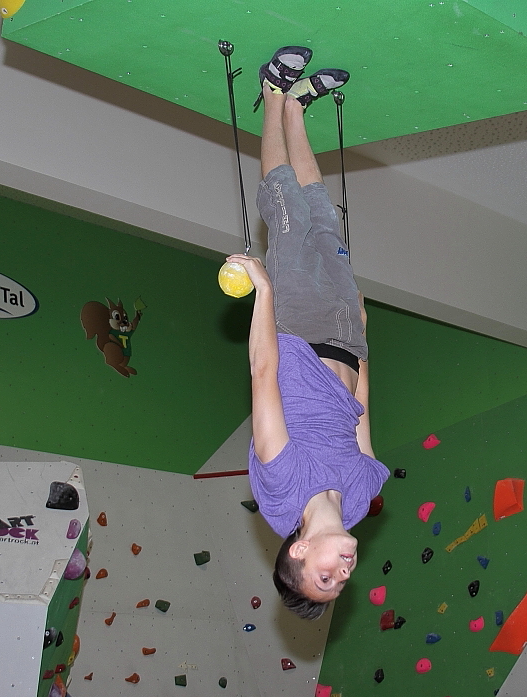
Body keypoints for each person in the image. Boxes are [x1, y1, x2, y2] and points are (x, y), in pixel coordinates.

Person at [225, 47, 389, 620]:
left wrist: (264, 294)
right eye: (341, 581)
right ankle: (298, 109)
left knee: (286, 213)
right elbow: (359, 414)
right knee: (323, 220)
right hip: (344, 337)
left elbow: (264, 378)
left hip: (296, 332)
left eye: (325, 576)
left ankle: (272, 95)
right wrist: (362, 344)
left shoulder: (280, 493)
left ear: (298, 551)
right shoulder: (362, 499)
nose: (343, 573)